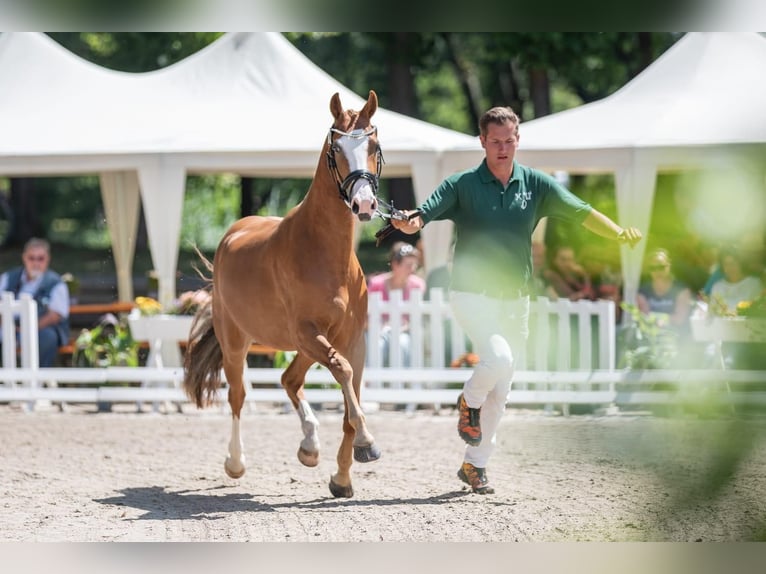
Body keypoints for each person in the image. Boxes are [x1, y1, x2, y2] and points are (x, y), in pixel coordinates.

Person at [390, 106, 642, 494]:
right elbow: (423, 213)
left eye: (509, 140)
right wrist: (410, 221)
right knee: (499, 360)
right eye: (495, 141)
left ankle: (475, 466)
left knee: (502, 390)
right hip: (471, 295)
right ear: (482, 142)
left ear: (517, 140)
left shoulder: (536, 185)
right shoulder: (462, 184)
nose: (503, 148)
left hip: (516, 300)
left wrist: (619, 233)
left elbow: (581, 212)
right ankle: (467, 401)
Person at [0, 238, 70, 367]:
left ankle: (39, 380)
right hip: (8, 326)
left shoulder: (56, 283)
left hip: (40, 328)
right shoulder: (8, 278)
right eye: (31, 258)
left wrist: (27, 328)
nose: (36, 263)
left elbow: (55, 315)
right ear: (24, 258)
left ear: (47, 259)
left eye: (40, 258)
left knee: (47, 337)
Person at [367, 241, 426, 368]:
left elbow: (417, 318)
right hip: (377, 331)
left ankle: (404, 383)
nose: (413, 269)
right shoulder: (376, 283)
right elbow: (366, 314)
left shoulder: (417, 285)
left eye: (414, 265)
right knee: (376, 345)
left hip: (405, 332)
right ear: (395, 264)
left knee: (402, 344)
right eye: (408, 265)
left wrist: (400, 328)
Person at [636, 248, 692, 331]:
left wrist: (659, 320)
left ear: (669, 266)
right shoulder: (643, 291)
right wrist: (666, 319)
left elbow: (679, 319)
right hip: (651, 334)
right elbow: (644, 317)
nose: (657, 271)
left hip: (676, 336)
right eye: (652, 268)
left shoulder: (681, 290)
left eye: (661, 267)